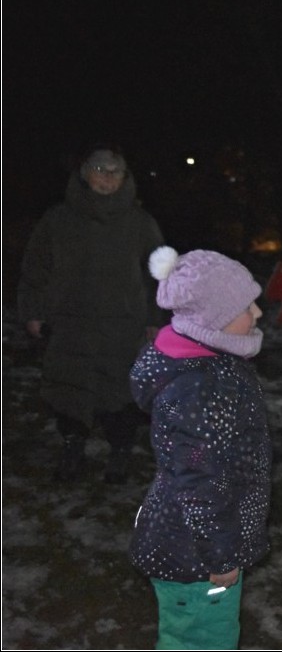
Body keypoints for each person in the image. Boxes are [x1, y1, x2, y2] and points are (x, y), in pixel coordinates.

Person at [129, 246, 272, 650]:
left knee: (207, 635)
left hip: (199, 543)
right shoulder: (198, 389)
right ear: (213, 319)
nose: (259, 313)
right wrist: (221, 556)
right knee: (200, 639)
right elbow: (200, 480)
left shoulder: (209, 363)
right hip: (195, 553)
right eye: (247, 306)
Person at [17, 144, 165, 484]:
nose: (107, 178)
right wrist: (33, 311)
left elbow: (159, 274)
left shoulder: (140, 223)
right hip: (70, 323)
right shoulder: (58, 220)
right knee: (69, 388)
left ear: (125, 177)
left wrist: (155, 319)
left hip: (123, 325)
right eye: (100, 170)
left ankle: (120, 450)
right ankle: (72, 446)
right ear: (85, 174)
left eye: (115, 172)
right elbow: (36, 267)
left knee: (121, 391)